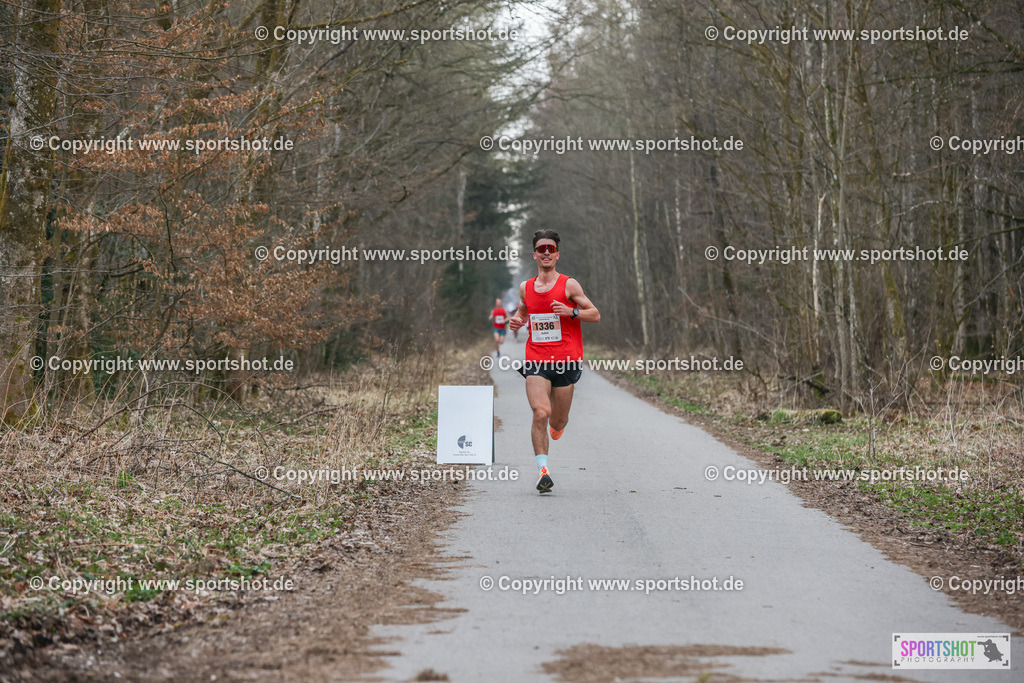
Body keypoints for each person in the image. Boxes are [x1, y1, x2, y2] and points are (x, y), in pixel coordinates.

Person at [507, 230, 600, 493]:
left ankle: (557, 428)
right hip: (536, 358)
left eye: (550, 248)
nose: (546, 251)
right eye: (541, 248)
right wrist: (517, 319)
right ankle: (543, 471)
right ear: (534, 254)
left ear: (557, 254)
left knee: (557, 422)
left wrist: (572, 311)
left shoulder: (569, 285)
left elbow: (594, 314)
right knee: (540, 413)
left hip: (566, 361)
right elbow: (524, 309)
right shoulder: (526, 286)